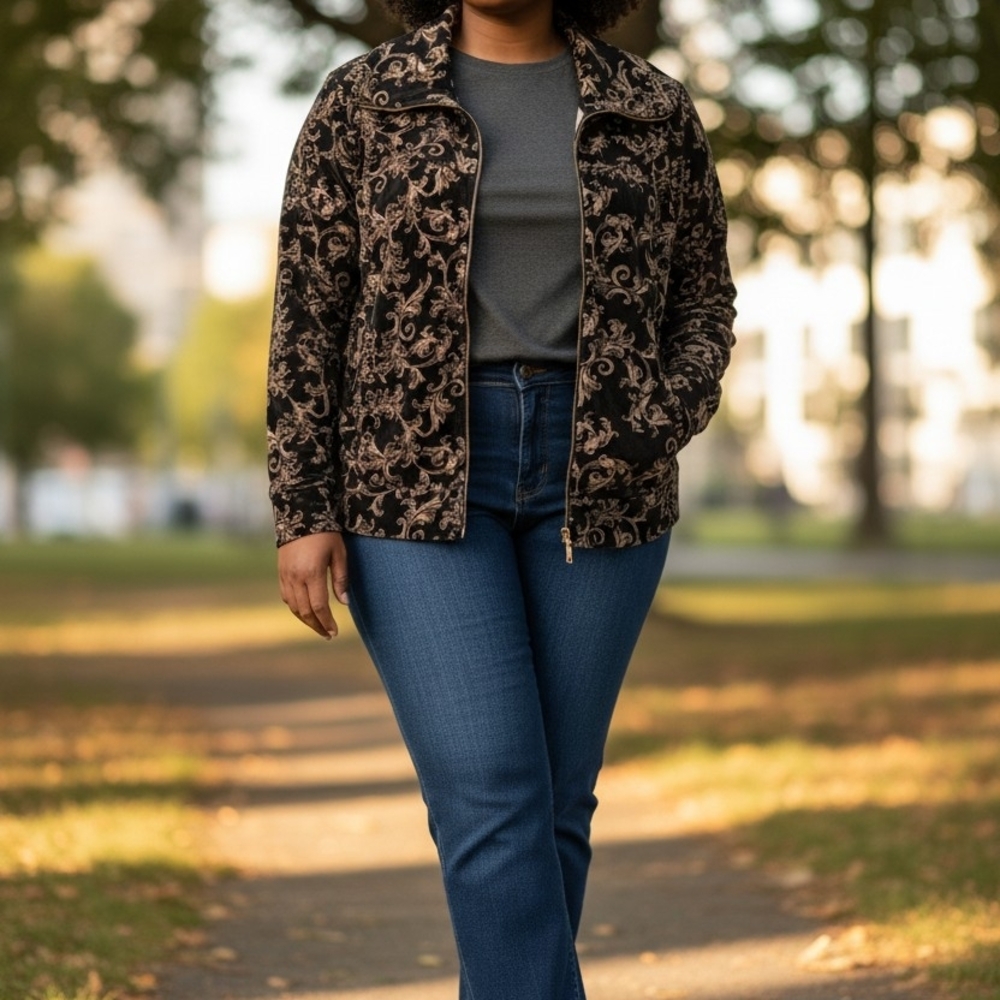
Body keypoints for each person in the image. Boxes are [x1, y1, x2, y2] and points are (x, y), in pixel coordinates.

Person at [267, 1, 736, 997]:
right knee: (489, 791)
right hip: (412, 475)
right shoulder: (368, 98)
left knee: (557, 805)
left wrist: (660, 410)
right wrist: (303, 506)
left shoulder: (648, 107)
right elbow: (309, 310)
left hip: (603, 476)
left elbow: (705, 297)